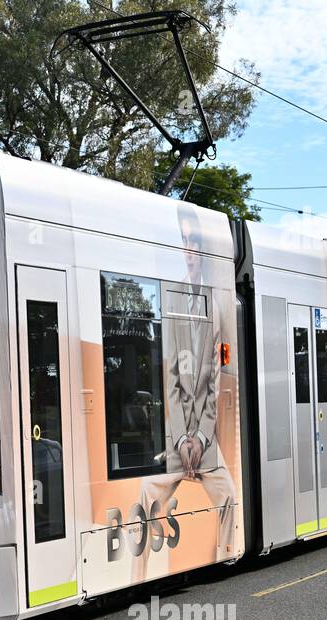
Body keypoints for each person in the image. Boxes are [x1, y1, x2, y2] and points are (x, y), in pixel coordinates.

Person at [134, 205, 238, 581]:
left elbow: (213, 385)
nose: (191, 251)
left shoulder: (216, 299)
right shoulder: (171, 294)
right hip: (178, 437)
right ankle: (138, 575)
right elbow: (171, 380)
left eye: (195, 244)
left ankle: (225, 556)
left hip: (204, 438)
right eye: (186, 244)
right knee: (147, 496)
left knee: (229, 498)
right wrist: (181, 439)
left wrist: (200, 437)